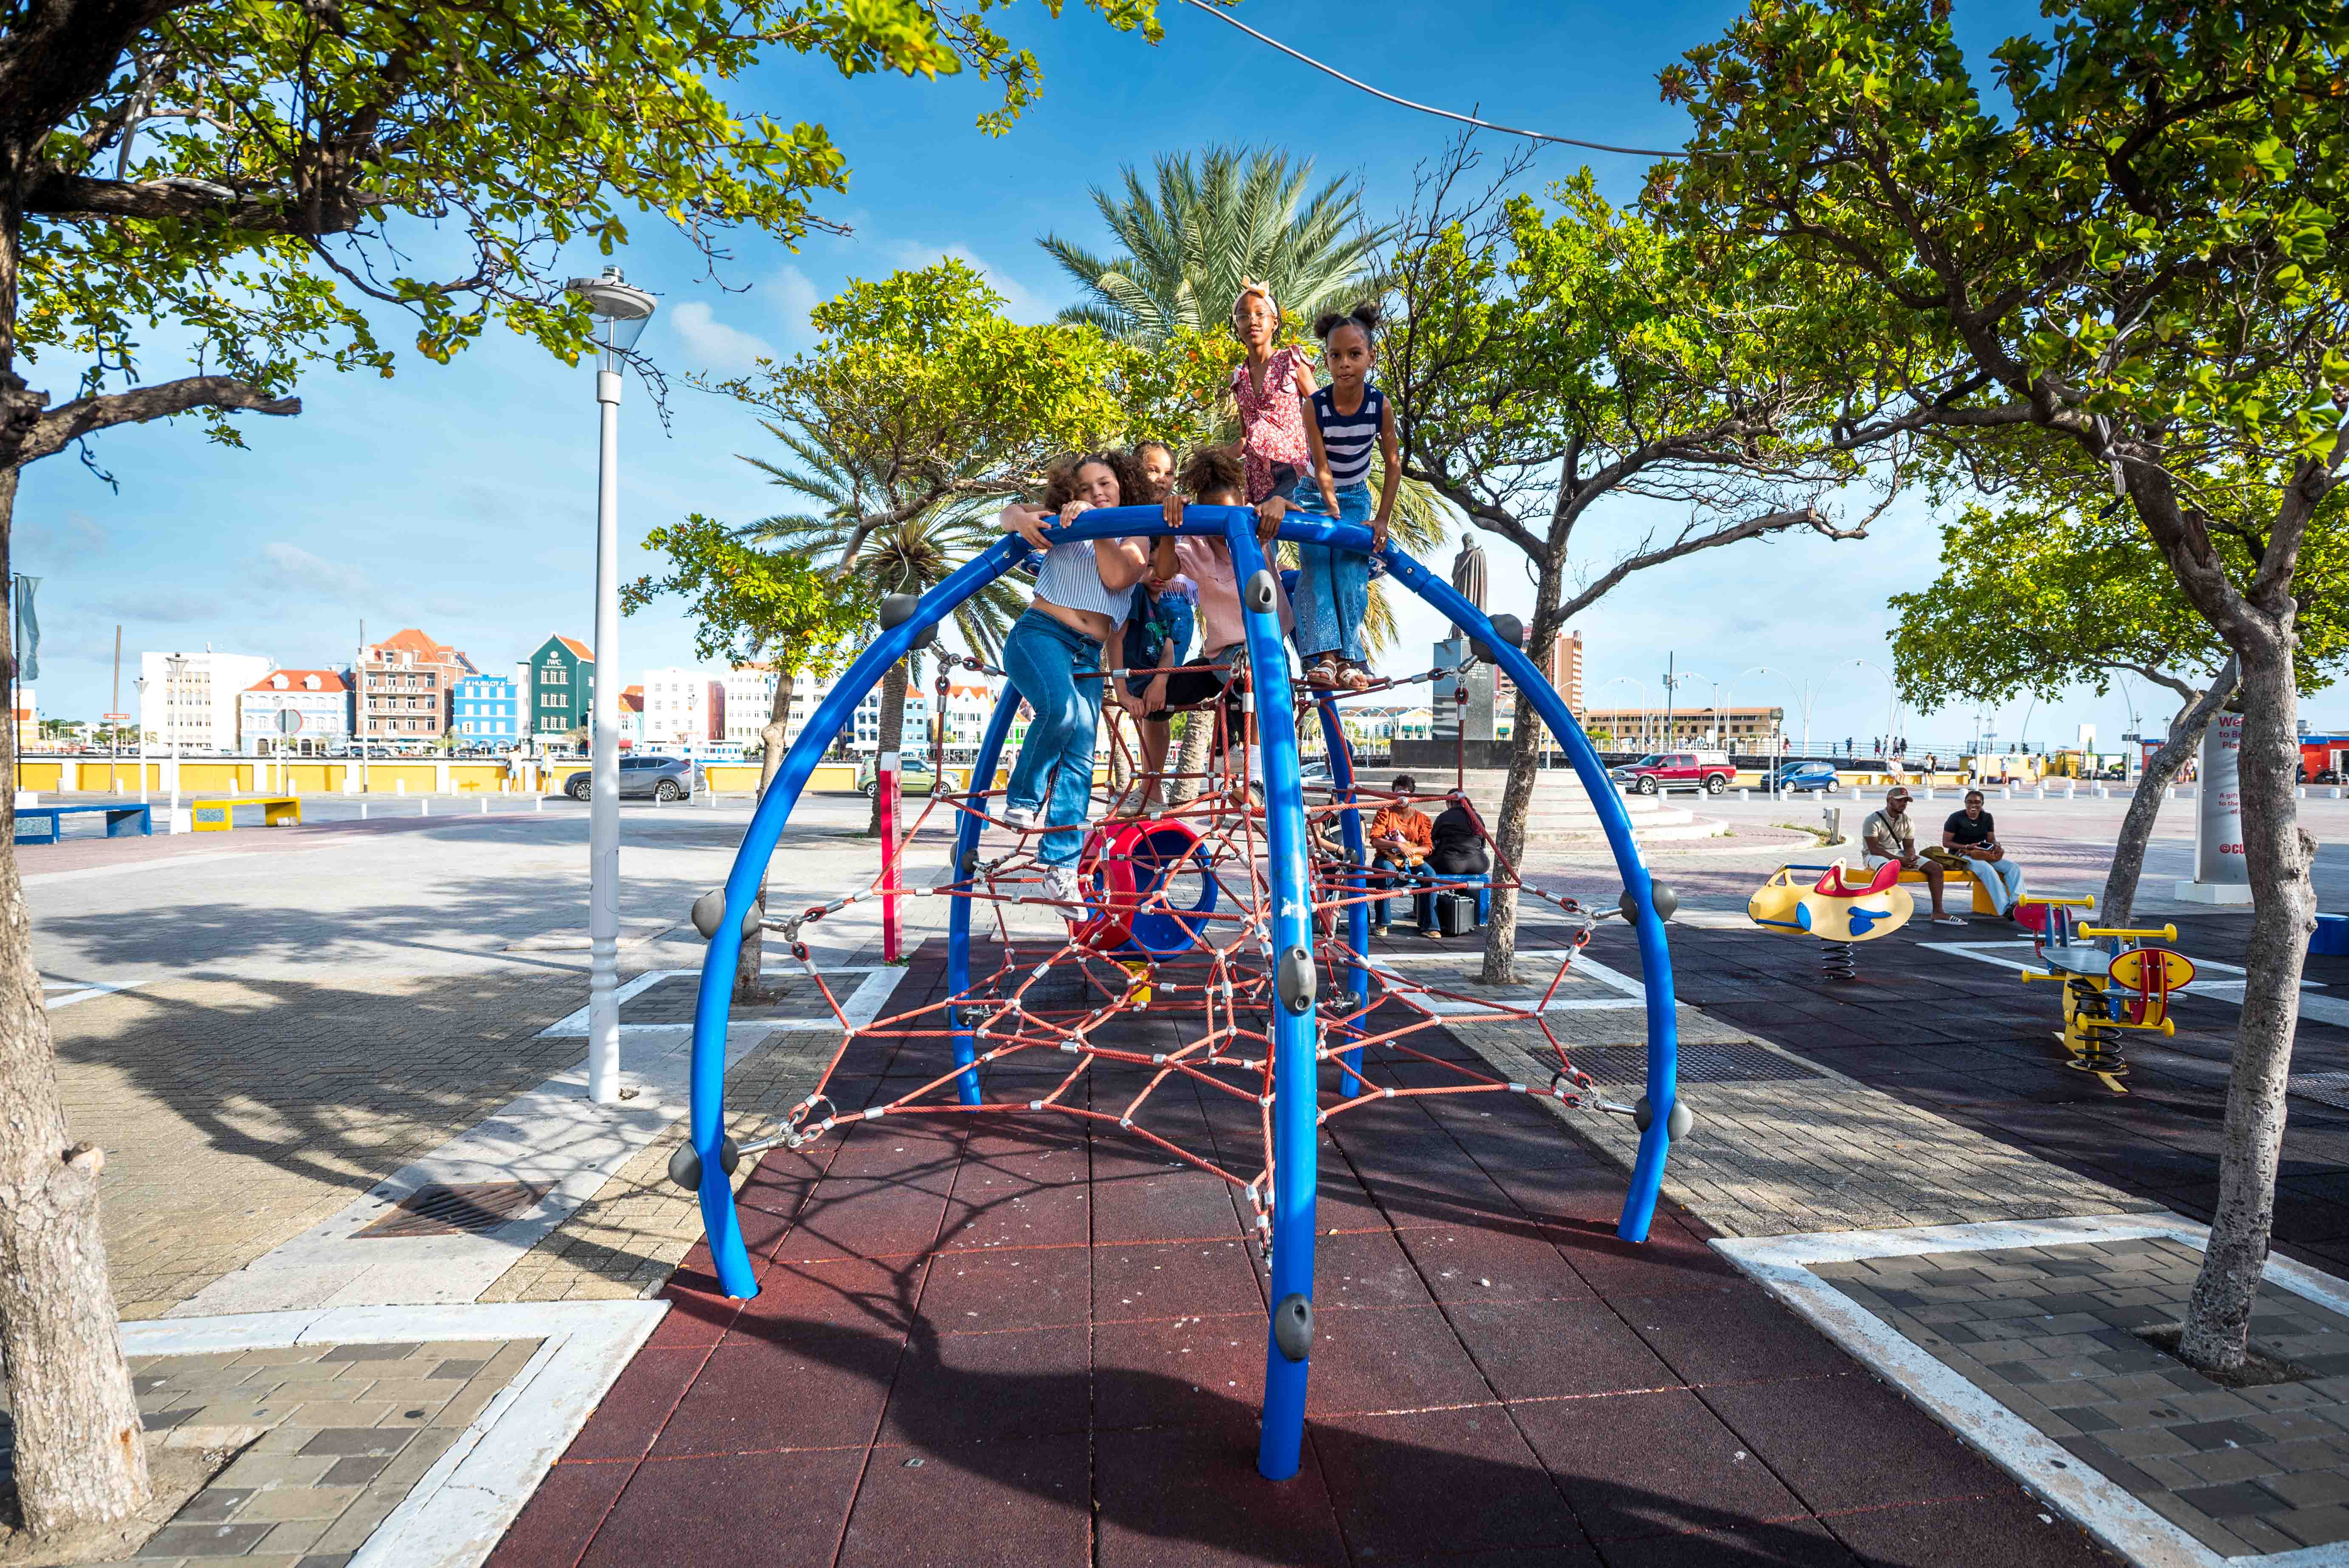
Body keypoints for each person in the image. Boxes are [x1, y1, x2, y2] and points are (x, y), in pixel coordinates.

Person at [998, 452, 1153, 903]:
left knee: (1082, 756)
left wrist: (1095, 523)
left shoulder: (1135, 531)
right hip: (1041, 633)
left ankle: (1060, 864)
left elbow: (1119, 574)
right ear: (1071, 493)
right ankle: (1023, 800)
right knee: (1060, 710)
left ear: (1122, 484)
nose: (1097, 494)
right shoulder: (1062, 524)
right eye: (1085, 489)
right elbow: (1009, 514)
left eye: (1105, 483)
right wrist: (1019, 518)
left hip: (1088, 651)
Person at [1139, 447, 1290, 799]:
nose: (1226, 527)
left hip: (1260, 650)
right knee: (1156, 698)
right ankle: (1151, 787)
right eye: (1215, 518)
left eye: (1232, 513)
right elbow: (1163, 571)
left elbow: (1287, 509)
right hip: (1218, 657)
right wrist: (1169, 527)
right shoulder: (1195, 542)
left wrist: (1280, 505)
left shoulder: (1258, 529)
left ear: (1243, 504)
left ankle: (1253, 777)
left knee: (1255, 678)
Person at [1291, 302, 1402, 693]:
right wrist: (1329, 507)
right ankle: (1324, 657)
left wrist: (1383, 519)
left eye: (1354, 355)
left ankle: (1351, 657)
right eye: (1336, 356)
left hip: (1355, 496)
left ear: (1370, 357)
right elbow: (1320, 464)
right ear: (1325, 361)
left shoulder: (1379, 406)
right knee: (1319, 566)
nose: (1345, 364)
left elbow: (1393, 464)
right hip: (1314, 493)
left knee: (1351, 573)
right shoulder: (1315, 406)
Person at [1110, 570, 1195, 816]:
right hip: (1140, 682)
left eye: (1166, 568)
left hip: (1156, 680)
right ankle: (1151, 790)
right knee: (1159, 714)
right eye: (1150, 565)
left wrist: (1161, 680)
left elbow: (1168, 648)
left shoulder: (1164, 608)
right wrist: (1123, 693)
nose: (1159, 573)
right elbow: (1114, 639)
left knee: (1208, 672)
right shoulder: (1136, 594)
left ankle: (1153, 791)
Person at [1228, 282, 1317, 505]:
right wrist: (1213, 457)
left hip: (1294, 470)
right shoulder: (1238, 378)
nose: (1253, 322)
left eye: (1260, 314)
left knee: (1303, 533)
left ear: (1274, 322)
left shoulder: (1291, 362)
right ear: (1237, 326)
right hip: (1258, 479)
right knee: (1264, 539)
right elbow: (1245, 436)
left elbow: (1322, 411)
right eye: (1243, 317)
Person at [1861, 785, 1965, 925]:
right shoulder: (1873, 819)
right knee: (1889, 867)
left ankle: (1938, 912)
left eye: (1906, 801)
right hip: (1874, 856)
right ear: (1889, 800)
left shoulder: (1908, 821)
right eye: (1900, 800)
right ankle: (1890, 911)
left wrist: (1910, 857)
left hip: (1898, 854)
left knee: (1936, 868)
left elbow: (1909, 847)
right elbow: (1874, 849)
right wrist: (1899, 860)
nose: (1903, 804)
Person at [1367, 775, 1436, 938]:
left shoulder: (1421, 819)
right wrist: (1398, 845)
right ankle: (1382, 923)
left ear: (1412, 795)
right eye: (1398, 793)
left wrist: (1411, 850)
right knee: (1387, 872)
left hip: (1413, 860)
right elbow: (1375, 840)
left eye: (1406, 793)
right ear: (1393, 794)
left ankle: (1430, 925)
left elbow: (1428, 848)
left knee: (1431, 875)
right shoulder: (1385, 813)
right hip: (1387, 858)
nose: (1402, 797)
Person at [1942, 789, 2026, 916]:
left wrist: (1997, 846)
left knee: (2013, 868)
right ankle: (2005, 909)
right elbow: (1946, 842)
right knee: (1987, 869)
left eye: (1977, 802)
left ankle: (2018, 903)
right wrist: (1968, 847)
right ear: (1965, 803)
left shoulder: (1987, 817)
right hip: (1961, 856)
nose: (1973, 805)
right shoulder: (1956, 818)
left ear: (1982, 804)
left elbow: (1991, 840)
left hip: (1982, 854)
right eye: (1969, 802)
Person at [1426, 791, 1490, 927]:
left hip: (1450, 863)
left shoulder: (1444, 817)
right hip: (1479, 864)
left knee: (1422, 868)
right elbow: (1483, 843)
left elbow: (1432, 839)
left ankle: (1422, 909)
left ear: (1449, 803)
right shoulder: (1476, 816)